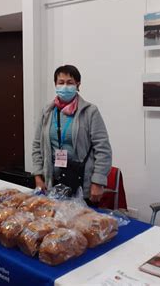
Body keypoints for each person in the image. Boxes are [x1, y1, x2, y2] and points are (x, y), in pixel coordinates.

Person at [32, 65, 112, 204]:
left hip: (81, 181)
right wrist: (38, 176)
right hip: (52, 181)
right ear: (55, 84)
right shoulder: (48, 111)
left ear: (78, 84)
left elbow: (103, 149)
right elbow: (37, 144)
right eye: (61, 82)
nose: (65, 86)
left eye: (70, 82)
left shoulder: (90, 112)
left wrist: (98, 182)